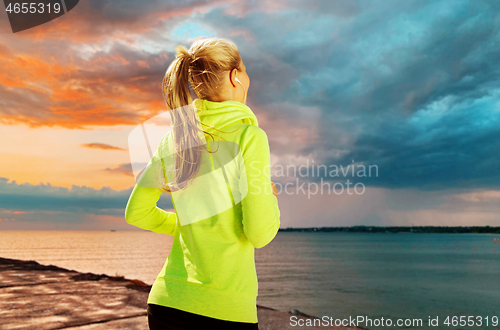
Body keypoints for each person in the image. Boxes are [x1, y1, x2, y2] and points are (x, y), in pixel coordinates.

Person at [125, 37, 281, 330]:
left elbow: (137, 213)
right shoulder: (250, 137)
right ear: (236, 76)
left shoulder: (173, 138)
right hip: (223, 311)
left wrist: (189, 225)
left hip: (166, 304)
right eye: (245, 69)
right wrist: (270, 197)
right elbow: (260, 234)